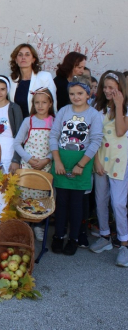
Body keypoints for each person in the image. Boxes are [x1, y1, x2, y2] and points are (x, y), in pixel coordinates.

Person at [49, 76, 102, 256]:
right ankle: (58, 236)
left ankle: (73, 238)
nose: (76, 97)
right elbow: (54, 135)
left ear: (88, 94)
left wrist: (81, 164)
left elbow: (95, 141)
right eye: (72, 93)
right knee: (61, 202)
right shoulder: (64, 111)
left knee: (76, 203)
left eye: (80, 93)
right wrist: (57, 160)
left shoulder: (94, 115)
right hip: (61, 162)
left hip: (82, 163)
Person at [89, 71, 128, 267]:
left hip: (120, 160)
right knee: (100, 199)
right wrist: (96, 161)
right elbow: (95, 136)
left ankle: (124, 244)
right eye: (105, 87)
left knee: (119, 202)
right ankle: (104, 235)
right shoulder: (98, 108)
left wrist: (120, 105)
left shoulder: (125, 108)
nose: (107, 90)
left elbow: (120, 131)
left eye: (112, 87)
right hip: (101, 159)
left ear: (120, 88)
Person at [13, 88, 55, 241]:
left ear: (50, 103)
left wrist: (47, 159)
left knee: (41, 198)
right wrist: (29, 159)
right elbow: (17, 143)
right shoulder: (28, 121)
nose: (40, 106)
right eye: (37, 102)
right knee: (25, 197)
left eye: (44, 102)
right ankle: (24, 226)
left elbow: (56, 145)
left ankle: (38, 225)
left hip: (45, 167)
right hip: (28, 166)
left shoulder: (54, 122)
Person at [9, 43, 57, 117]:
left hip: (39, 124)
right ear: (16, 60)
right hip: (18, 125)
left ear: (33, 59)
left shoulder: (45, 77)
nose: (23, 57)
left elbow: (53, 103)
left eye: (27, 55)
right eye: (20, 55)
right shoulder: (11, 80)